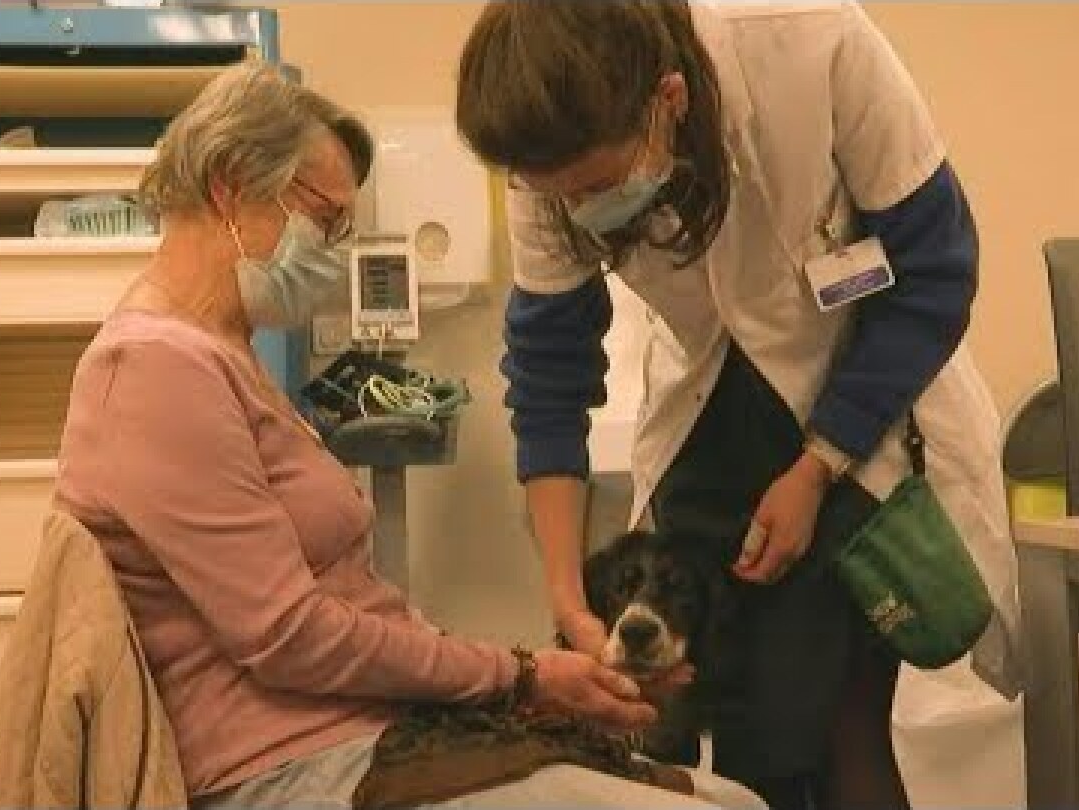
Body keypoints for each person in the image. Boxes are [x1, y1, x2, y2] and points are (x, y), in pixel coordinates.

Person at [53, 60, 761, 809]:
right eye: (324, 220)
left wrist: (508, 683)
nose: (331, 248)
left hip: (368, 731)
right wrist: (516, 675)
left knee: (735, 801)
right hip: (282, 763)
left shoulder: (227, 359)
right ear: (231, 186)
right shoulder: (152, 372)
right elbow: (289, 634)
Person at [454, 3, 1020, 808]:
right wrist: (566, 601)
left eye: (597, 186)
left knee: (843, 724)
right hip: (707, 419)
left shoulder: (812, 41)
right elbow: (549, 371)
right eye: (559, 195)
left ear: (670, 99)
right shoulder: (547, 163)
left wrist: (819, 465)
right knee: (729, 722)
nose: (578, 209)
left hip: (866, 402)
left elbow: (935, 270)